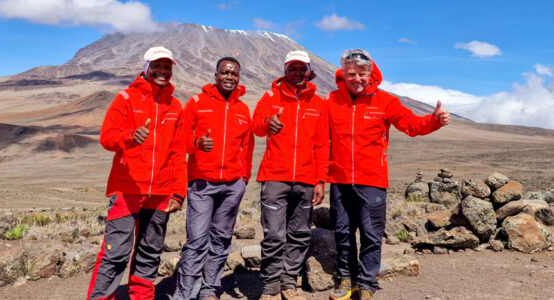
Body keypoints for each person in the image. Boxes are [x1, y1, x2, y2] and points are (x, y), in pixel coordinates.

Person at [326, 49, 451, 300]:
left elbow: (412, 125)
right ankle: (346, 279)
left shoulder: (385, 101)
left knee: (371, 235)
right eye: (351, 74)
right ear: (343, 74)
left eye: (362, 74)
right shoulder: (331, 100)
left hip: (372, 180)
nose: (357, 79)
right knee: (343, 233)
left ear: (371, 74)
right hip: (339, 180)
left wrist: (434, 121)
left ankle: (367, 284)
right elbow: (319, 140)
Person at [86, 46, 187, 300]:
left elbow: (178, 153)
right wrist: (130, 138)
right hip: (127, 189)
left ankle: (142, 297)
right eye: (157, 66)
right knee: (115, 253)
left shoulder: (175, 106)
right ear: (146, 68)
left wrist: (178, 192)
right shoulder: (126, 98)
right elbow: (107, 138)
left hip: (161, 192)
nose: (163, 71)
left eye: (167, 67)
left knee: (150, 252)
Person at [172, 57, 254, 300]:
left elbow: (247, 147)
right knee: (196, 240)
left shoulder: (243, 109)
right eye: (225, 72)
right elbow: (179, 141)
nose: (230, 77)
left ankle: (210, 290)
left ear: (239, 77)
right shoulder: (197, 103)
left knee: (221, 240)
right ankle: (185, 294)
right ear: (216, 74)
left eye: (234, 74)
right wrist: (196, 143)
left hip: (232, 186)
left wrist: (244, 179)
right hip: (202, 184)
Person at [252, 50, 329, 300]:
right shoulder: (271, 96)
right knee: (274, 234)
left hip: (306, 179)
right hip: (275, 176)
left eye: (301, 69)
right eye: (292, 68)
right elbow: (256, 127)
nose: (297, 73)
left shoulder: (318, 103)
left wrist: (320, 180)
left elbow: (322, 145)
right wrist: (267, 123)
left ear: (309, 71)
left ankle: (289, 283)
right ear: (285, 70)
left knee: (299, 234)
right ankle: (271, 286)